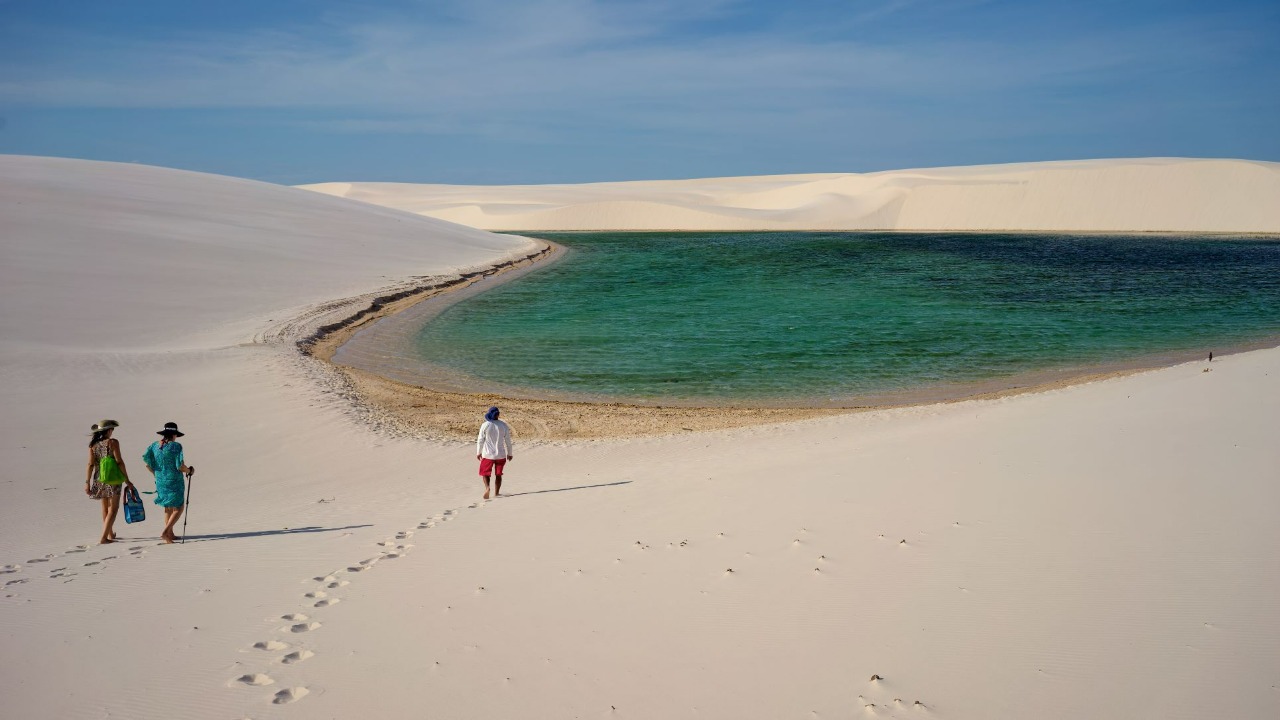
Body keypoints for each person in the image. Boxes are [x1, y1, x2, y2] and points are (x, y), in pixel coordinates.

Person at [142, 422, 194, 544]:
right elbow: (180, 466)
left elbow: (147, 464)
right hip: (174, 480)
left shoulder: (154, 446)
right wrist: (190, 470)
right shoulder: (176, 446)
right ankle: (165, 532)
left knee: (167, 507)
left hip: (160, 480)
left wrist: (156, 475)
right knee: (179, 507)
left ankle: (170, 534)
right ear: (174, 434)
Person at [85, 419, 135, 544]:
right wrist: (127, 480)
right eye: (112, 429)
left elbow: (90, 464)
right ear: (108, 430)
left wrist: (87, 482)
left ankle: (110, 533)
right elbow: (119, 461)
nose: (112, 431)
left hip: (99, 478)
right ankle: (103, 537)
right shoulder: (113, 442)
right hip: (113, 478)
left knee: (105, 507)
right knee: (113, 508)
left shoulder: (93, 445)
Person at [475, 406, 513, 499]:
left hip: (487, 454)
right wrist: (510, 453)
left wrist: (478, 452)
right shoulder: (503, 425)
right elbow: (508, 441)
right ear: (498, 415)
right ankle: (496, 493)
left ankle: (487, 488)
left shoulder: (485, 425)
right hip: (500, 454)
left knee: (485, 473)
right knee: (498, 474)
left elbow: (480, 440)